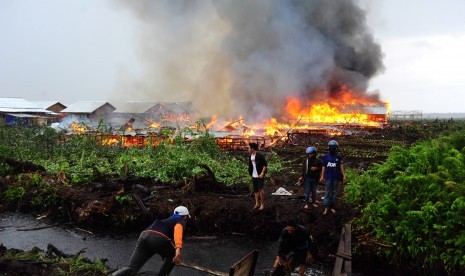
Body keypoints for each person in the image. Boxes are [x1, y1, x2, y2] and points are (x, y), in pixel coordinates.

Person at [111, 206, 191, 276]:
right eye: (187, 218)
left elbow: (158, 243)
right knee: (173, 255)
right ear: (185, 217)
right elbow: (178, 231)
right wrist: (178, 249)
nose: (186, 220)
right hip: (158, 238)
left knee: (131, 268)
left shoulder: (165, 221)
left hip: (144, 236)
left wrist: (165, 256)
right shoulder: (181, 220)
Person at [319, 140, 346, 215]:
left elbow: (341, 167)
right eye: (331, 147)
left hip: (336, 177)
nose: (332, 149)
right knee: (327, 192)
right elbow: (324, 166)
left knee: (334, 193)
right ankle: (326, 208)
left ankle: (331, 207)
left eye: (333, 147)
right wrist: (322, 176)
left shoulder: (338, 157)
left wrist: (344, 176)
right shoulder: (325, 156)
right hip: (328, 177)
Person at [248, 142, 268, 210]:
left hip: (260, 175)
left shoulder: (260, 155)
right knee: (255, 190)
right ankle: (257, 203)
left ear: (252, 148)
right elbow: (251, 166)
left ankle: (262, 204)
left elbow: (265, 165)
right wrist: (250, 173)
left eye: (249, 148)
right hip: (254, 175)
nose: (248, 149)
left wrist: (262, 173)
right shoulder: (250, 156)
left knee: (260, 189)